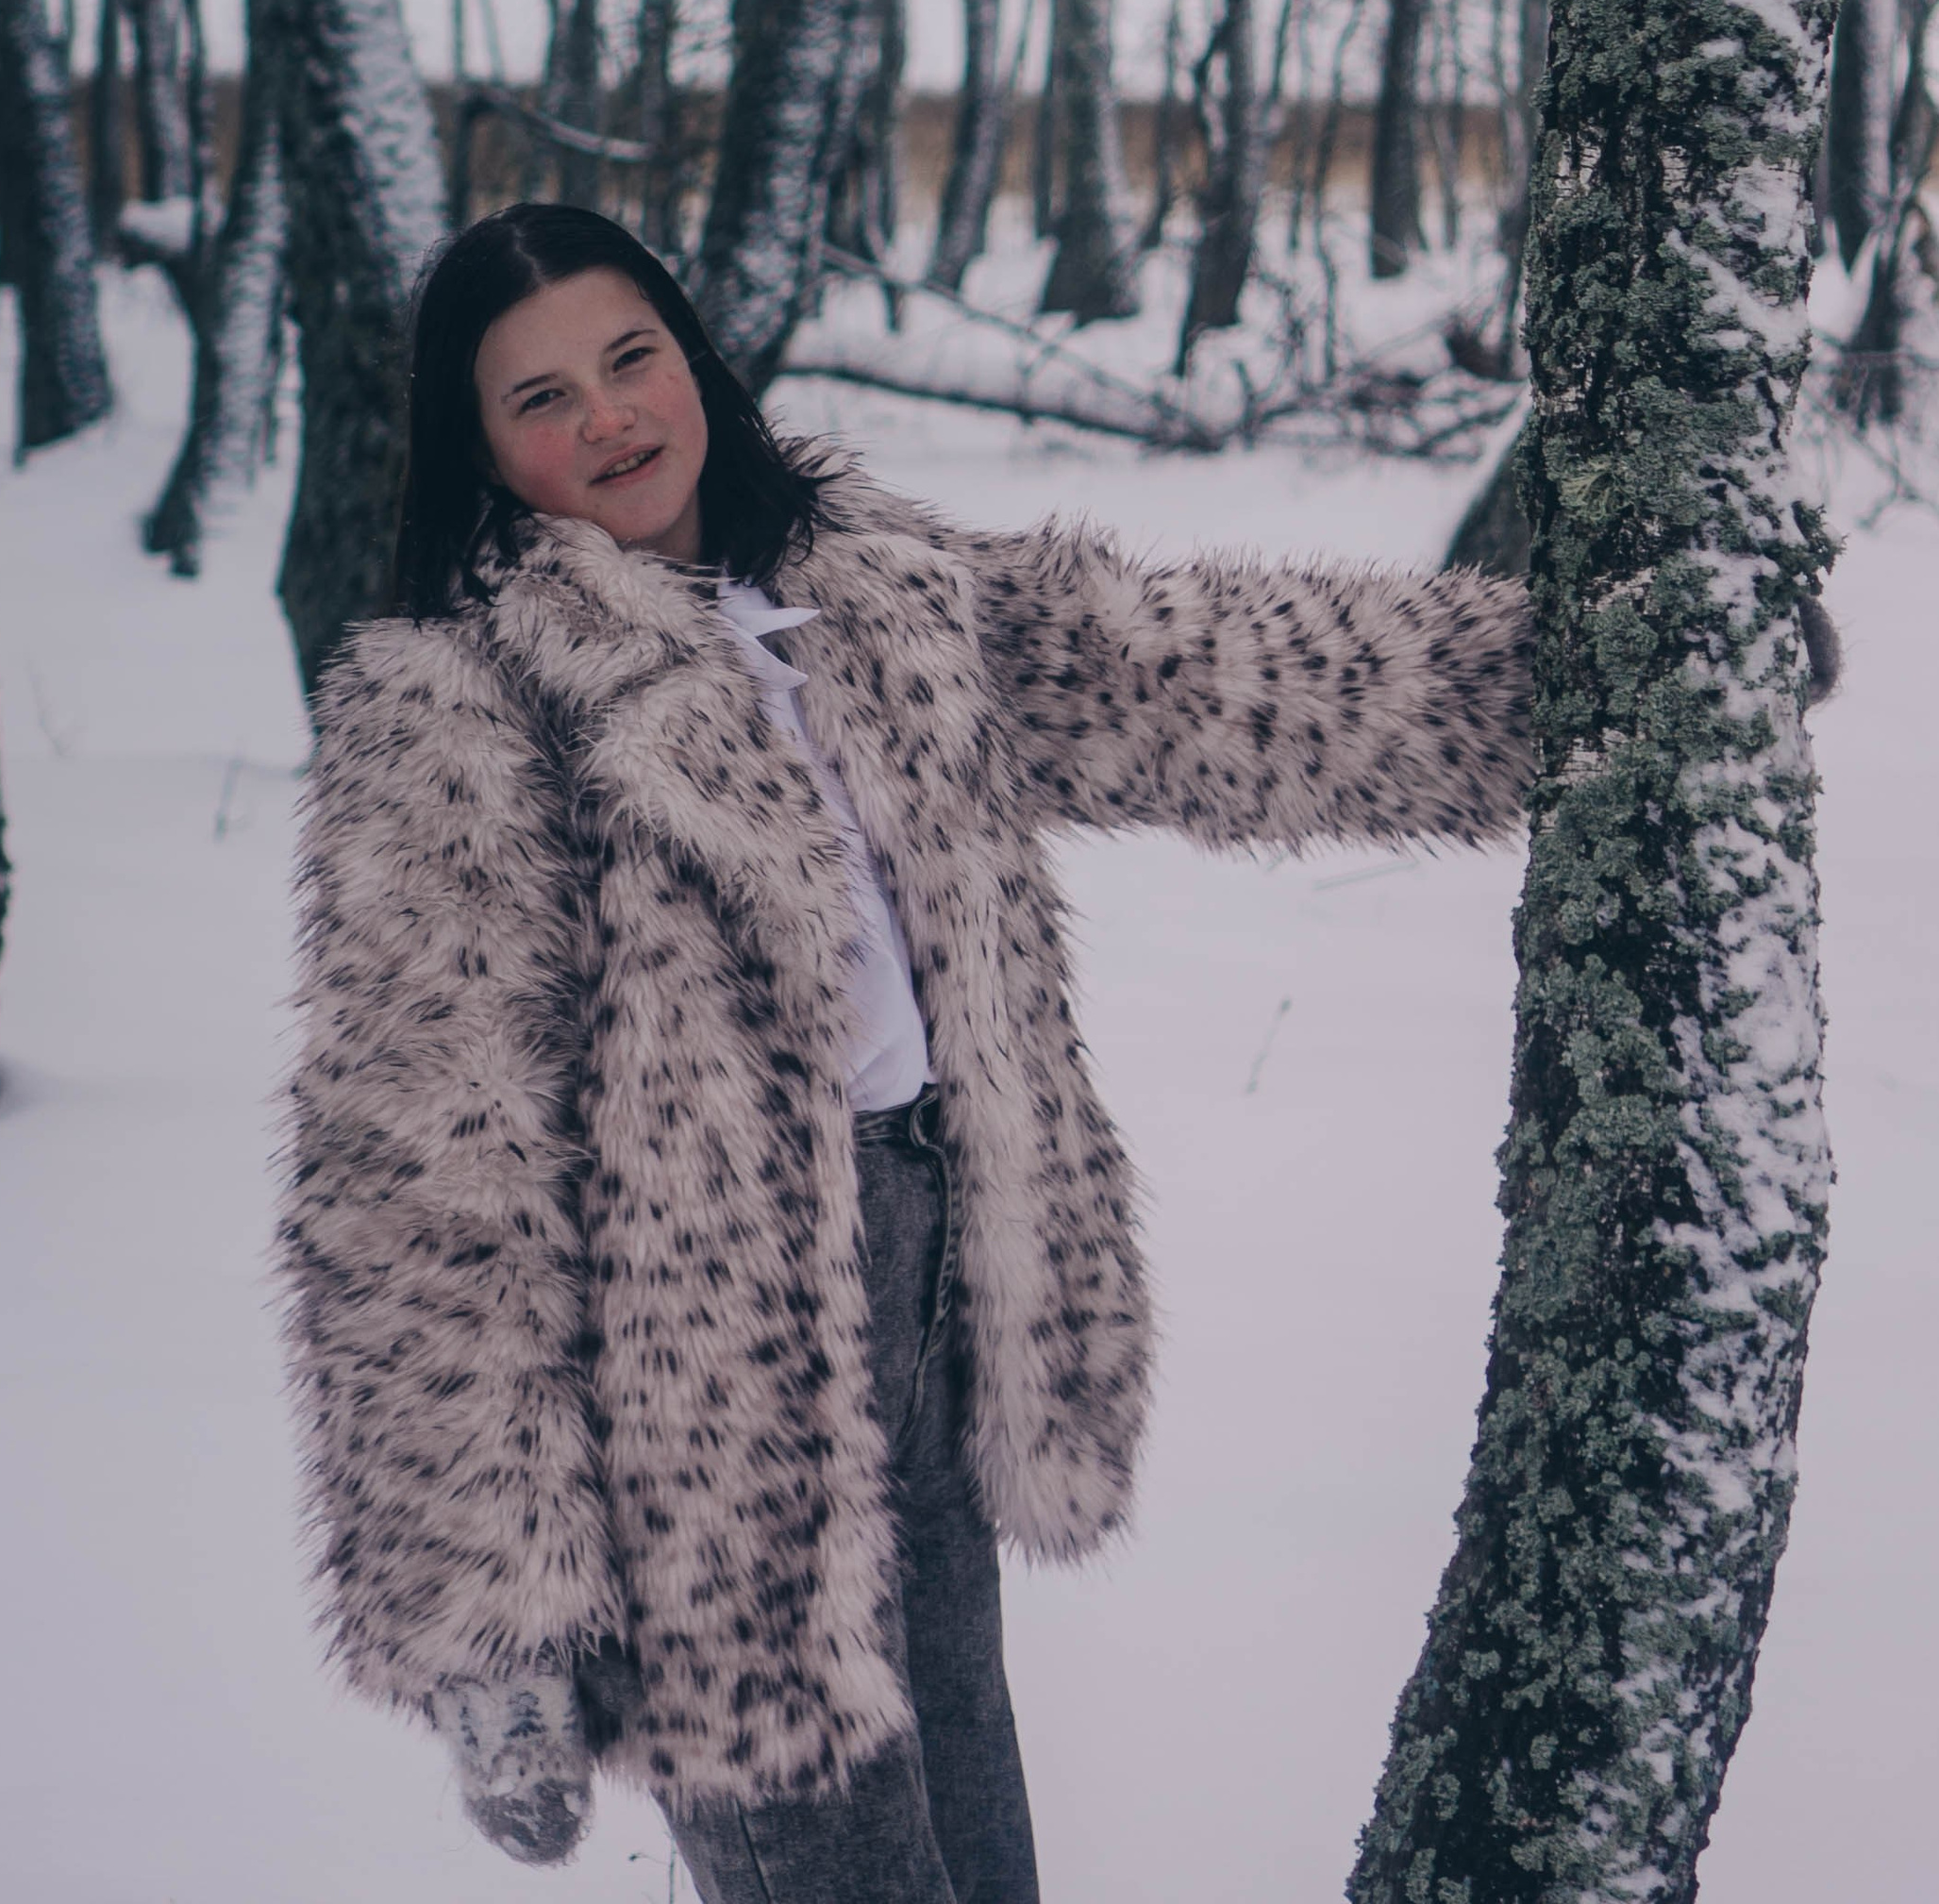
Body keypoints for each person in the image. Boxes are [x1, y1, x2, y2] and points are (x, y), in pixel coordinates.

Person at [279, 204, 1535, 1902]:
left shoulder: (874, 591)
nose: (611, 419)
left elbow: (1194, 680)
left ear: (694, 355)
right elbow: (419, 1172)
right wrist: (489, 1620)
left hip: (941, 1275)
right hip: (699, 1415)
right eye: (543, 400)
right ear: (484, 455)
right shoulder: (460, 707)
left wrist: (1582, 682)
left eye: (632, 357)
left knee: (978, 1846)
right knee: (835, 1863)